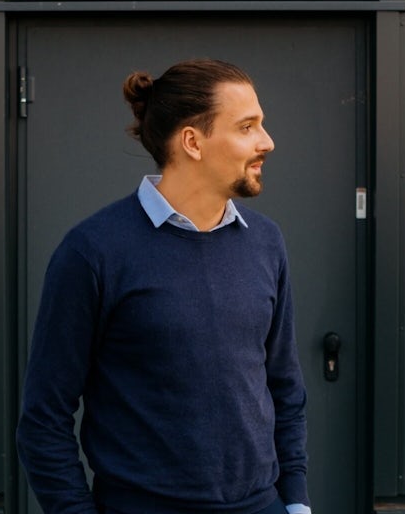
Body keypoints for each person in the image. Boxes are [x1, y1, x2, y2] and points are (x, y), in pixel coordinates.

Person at [16, 59, 310, 514]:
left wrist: (295, 501)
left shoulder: (266, 241)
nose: (266, 142)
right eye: (247, 126)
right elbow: (43, 418)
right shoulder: (93, 251)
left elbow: (284, 386)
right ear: (193, 141)